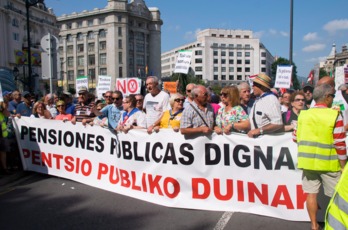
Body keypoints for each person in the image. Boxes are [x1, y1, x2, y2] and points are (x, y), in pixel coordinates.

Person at [293, 84, 346, 230]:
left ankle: (314, 225)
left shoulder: (303, 115)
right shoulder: (334, 115)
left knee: (311, 195)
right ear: (327, 97)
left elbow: (294, 137)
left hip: (307, 163)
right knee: (336, 198)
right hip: (329, 164)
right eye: (333, 96)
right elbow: (340, 143)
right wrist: (343, 165)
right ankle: (334, 225)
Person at [247, 73, 283, 138]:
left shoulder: (271, 99)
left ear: (262, 86)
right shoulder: (259, 99)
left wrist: (259, 130)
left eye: (254, 85)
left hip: (266, 141)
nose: (252, 87)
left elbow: (277, 123)